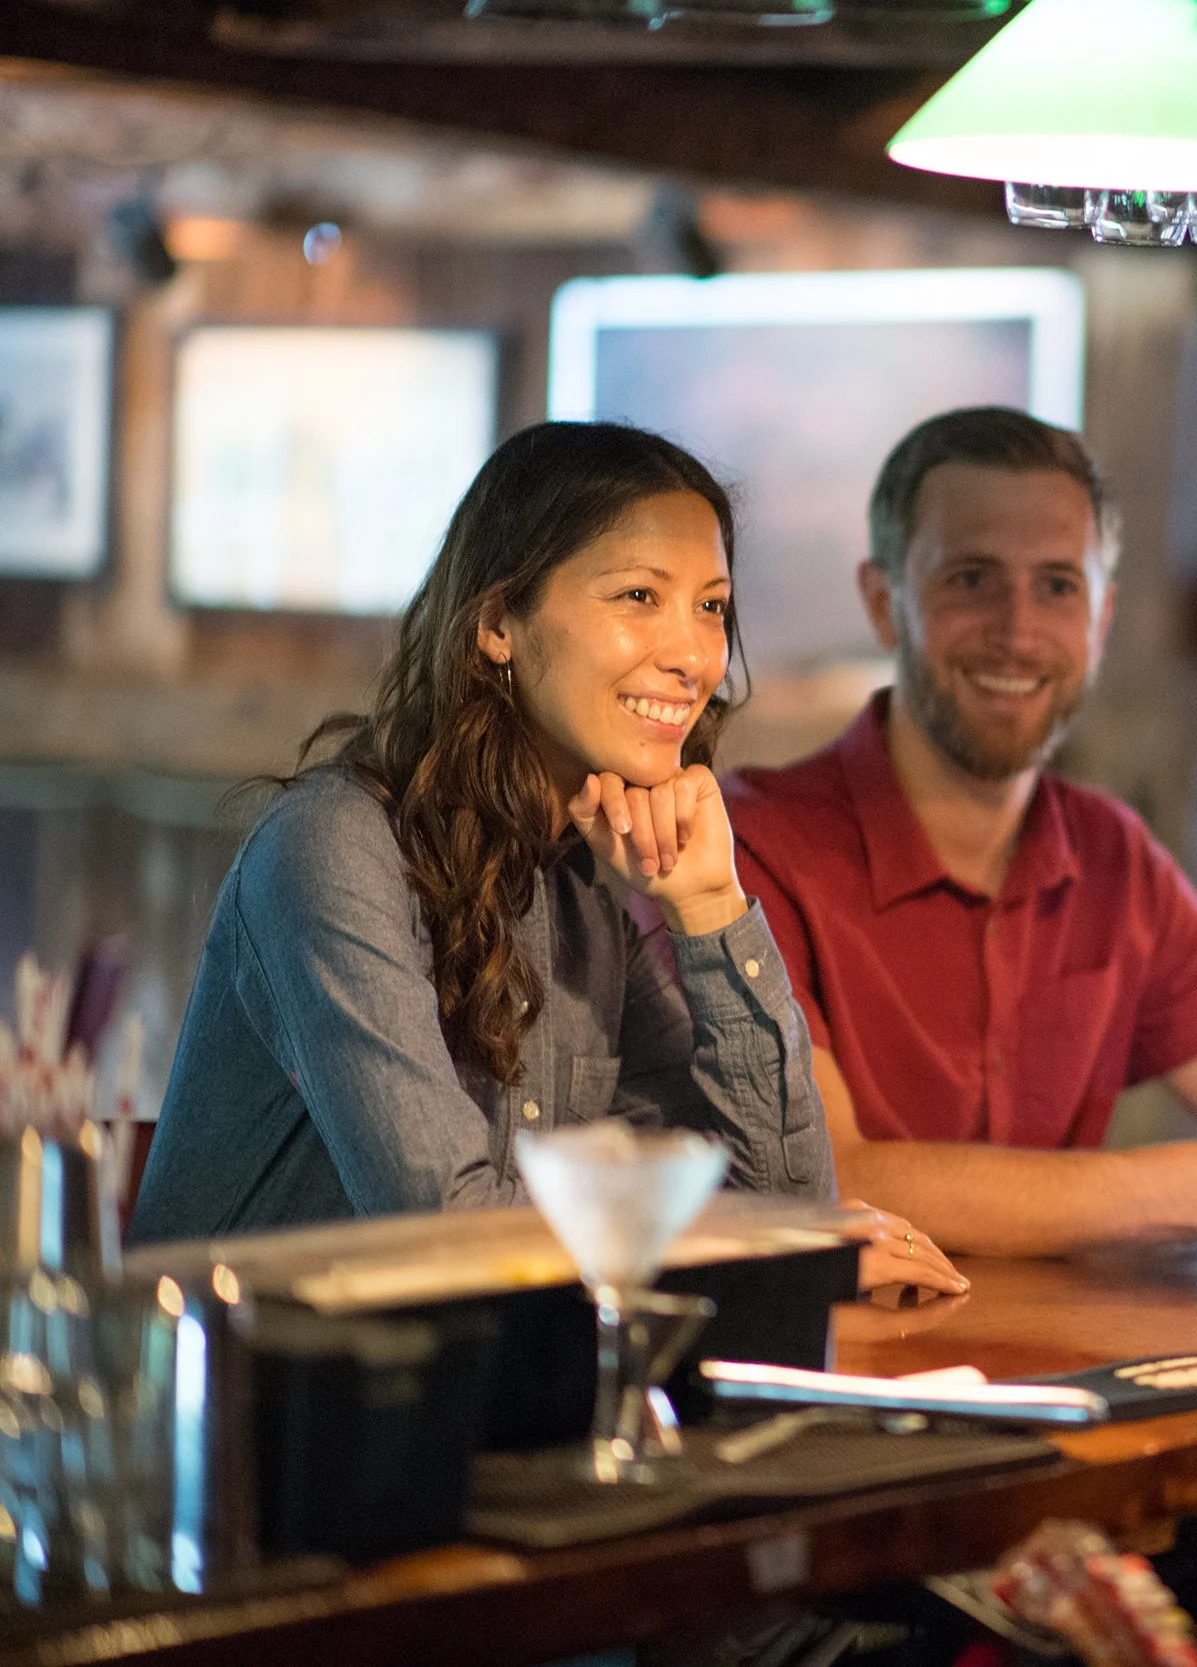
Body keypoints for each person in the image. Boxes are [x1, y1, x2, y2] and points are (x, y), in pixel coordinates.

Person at [130, 422, 963, 1299]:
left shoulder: (584, 891)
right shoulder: (331, 849)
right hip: (244, 1415)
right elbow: (452, 1229)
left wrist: (713, 906)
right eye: (640, 596)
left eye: (711, 606)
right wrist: (758, 1249)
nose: (690, 655)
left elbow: (791, 1198)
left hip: (483, 1402)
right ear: (497, 623)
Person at [727, 408, 1197, 1277]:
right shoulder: (752, 851)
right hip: (834, 1394)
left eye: (1059, 586)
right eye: (972, 579)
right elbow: (834, 1178)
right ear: (886, 603)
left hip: (1077, 1390)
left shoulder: (1115, 859)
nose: (1019, 630)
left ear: (1100, 620)